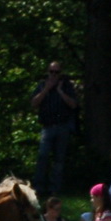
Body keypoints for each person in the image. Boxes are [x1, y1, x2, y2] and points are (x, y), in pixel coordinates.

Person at [30, 61, 79, 198]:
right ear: (48, 72)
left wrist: (60, 91)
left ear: (60, 73)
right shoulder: (41, 86)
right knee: (43, 156)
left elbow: (74, 104)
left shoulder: (67, 86)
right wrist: (46, 89)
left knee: (59, 160)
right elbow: (34, 103)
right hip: (47, 127)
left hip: (62, 126)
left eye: (56, 72)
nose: (53, 75)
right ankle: (39, 188)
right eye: (51, 72)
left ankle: (54, 189)